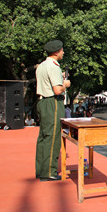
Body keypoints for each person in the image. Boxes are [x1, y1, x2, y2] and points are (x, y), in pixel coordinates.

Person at [35, 40, 70, 181]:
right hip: (53, 103)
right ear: (56, 52)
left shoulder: (42, 65)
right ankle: (49, 171)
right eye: (61, 50)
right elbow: (57, 90)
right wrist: (65, 84)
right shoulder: (54, 66)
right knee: (53, 137)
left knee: (43, 138)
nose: (63, 52)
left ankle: (41, 169)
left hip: (42, 101)